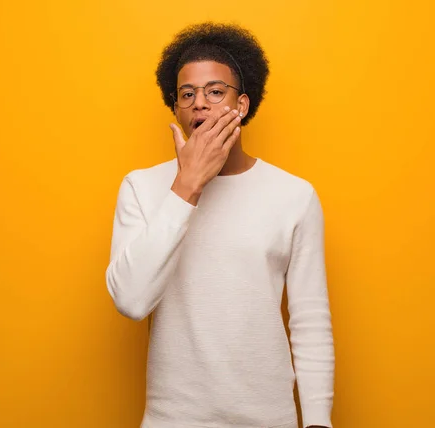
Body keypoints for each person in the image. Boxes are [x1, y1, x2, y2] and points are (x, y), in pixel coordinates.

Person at [106, 21, 334, 428]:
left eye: (215, 92)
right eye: (187, 94)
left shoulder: (294, 196)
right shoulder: (141, 187)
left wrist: (318, 420)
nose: (199, 104)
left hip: (269, 419)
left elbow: (309, 320)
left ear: (242, 105)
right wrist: (186, 186)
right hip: (172, 420)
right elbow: (131, 301)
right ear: (175, 108)